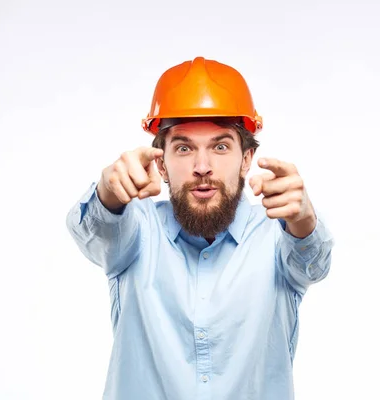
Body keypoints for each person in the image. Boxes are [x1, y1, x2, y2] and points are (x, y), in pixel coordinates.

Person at [65, 56, 334, 400]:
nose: (202, 167)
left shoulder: (276, 236)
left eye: (220, 147)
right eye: (184, 148)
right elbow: (92, 230)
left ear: (246, 160)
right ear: (161, 164)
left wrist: (304, 220)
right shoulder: (135, 231)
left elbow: (314, 263)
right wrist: (109, 193)